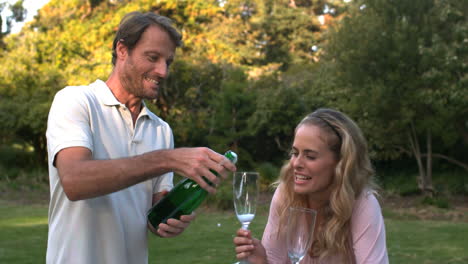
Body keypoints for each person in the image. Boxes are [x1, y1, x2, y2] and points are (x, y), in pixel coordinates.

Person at [45, 12, 236, 264]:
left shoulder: (160, 130)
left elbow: (153, 217)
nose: (163, 71)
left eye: (168, 61)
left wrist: (171, 219)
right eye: (153, 57)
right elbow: (74, 181)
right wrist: (167, 159)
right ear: (122, 50)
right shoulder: (76, 101)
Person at [233, 108, 389, 264]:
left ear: (341, 164)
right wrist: (262, 262)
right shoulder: (286, 194)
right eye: (295, 153)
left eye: (310, 156)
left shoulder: (362, 204)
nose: (296, 163)